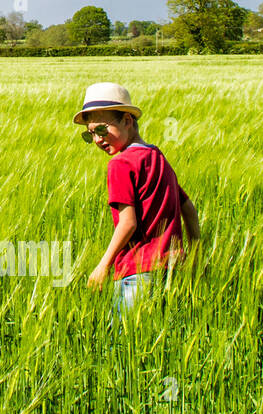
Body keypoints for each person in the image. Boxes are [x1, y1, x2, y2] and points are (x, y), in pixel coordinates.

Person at [76, 82, 200, 315]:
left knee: (123, 345)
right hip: (172, 268)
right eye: (89, 133)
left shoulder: (120, 164)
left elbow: (128, 223)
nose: (97, 140)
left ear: (127, 121)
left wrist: (103, 266)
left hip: (137, 273)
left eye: (102, 130)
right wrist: (195, 253)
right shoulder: (157, 156)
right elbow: (189, 208)